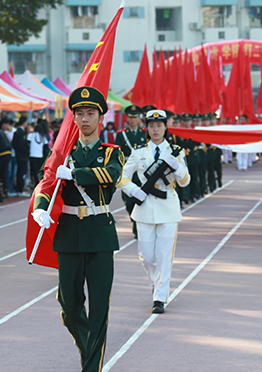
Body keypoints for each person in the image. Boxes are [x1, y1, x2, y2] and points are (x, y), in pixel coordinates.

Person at [31, 86, 124, 372]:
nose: (85, 119)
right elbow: (47, 181)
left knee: (99, 310)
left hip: (99, 234)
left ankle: (91, 367)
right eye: (79, 114)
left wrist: (75, 173)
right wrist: (40, 207)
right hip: (69, 234)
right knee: (69, 307)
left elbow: (111, 175)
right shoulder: (62, 153)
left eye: (90, 113)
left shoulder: (111, 153)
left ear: (100, 118)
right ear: (73, 118)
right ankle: (90, 351)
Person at [120, 109, 190, 314]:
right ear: (147, 128)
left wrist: (177, 167)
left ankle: (159, 297)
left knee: (164, 255)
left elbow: (185, 181)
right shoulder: (138, 150)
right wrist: (132, 189)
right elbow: (123, 176)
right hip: (144, 208)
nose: (155, 129)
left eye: (159, 125)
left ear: (165, 127)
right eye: (151, 126)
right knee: (147, 256)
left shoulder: (175, 150)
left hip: (168, 208)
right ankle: (155, 281)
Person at [115, 105, 146, 238]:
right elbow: (117, 153)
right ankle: (133, 218)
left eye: (135, 117)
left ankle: (137, 225)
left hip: (142, 171)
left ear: (139, 118)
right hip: (127, 170)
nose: (133, 120)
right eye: (130, 117)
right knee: (128, 200)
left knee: (141, 198)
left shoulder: (145, 133)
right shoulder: (121, 134)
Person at [0, 119, 13, 198]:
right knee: (4, 173)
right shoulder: (2, 132)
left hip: (1, 154)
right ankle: (5, 190)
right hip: (9, 153)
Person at [12, 116, 30, 197]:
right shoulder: (22, 132)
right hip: (22, 156)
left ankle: (19, 188)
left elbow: (14, 144)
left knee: (19, 172)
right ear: (24, 122)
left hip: (18, 155)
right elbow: (21, 144)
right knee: (22, 172)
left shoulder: (16, 132)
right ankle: (20, 189)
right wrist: (27, 148)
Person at [28, 121, 49, 186]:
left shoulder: (31, 135)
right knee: (39, 171)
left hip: (32, 155)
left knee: (34, 171)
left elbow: (27, 143)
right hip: (40, 156)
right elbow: (46, 147)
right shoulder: (43, 137)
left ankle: (35, 184)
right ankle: (40, 184)